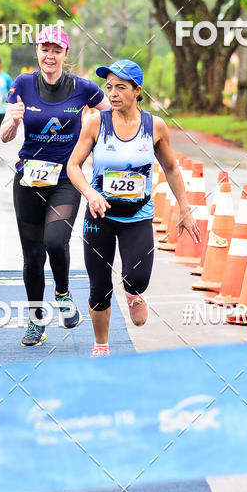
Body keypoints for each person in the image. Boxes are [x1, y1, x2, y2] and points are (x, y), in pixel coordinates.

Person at [67, 59, 201, 357]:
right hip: (99, 216)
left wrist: (185, 209)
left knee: (138, 278)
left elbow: (170, 168)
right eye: (109, 87)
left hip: (137, 215)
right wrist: (90, 194)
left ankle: (132, 293)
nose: (113, 94)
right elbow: (73, 166)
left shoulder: (155, 126)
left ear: (137, 91)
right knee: (99, 287)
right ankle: (101, 345)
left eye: (121, 88)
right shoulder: (95, 123)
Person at [0, 26, 110, 346]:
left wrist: (100, 142)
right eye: (44, 49)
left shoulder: (83, 88)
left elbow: (113, 117)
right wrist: (13, 121)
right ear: (37, 51)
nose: (49, 55)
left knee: (54, 240)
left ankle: (62, 293)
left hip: (65, 178)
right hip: (28, 179)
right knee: (32, 256)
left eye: (56, 50)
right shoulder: (21, 84)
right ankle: (36, 322)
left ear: (65, 54)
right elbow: (6, 137)